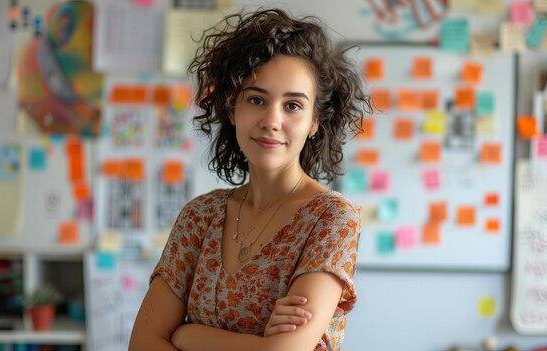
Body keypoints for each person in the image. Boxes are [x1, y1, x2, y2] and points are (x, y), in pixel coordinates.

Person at [128, 8, 372, 351]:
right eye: (256, 100)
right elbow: (141, 344)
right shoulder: (199, 216)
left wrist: (188, 335)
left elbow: (283, 350)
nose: (272, 120)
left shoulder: (332, 218)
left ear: (315, 122)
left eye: (293, 106)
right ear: (232, 109)